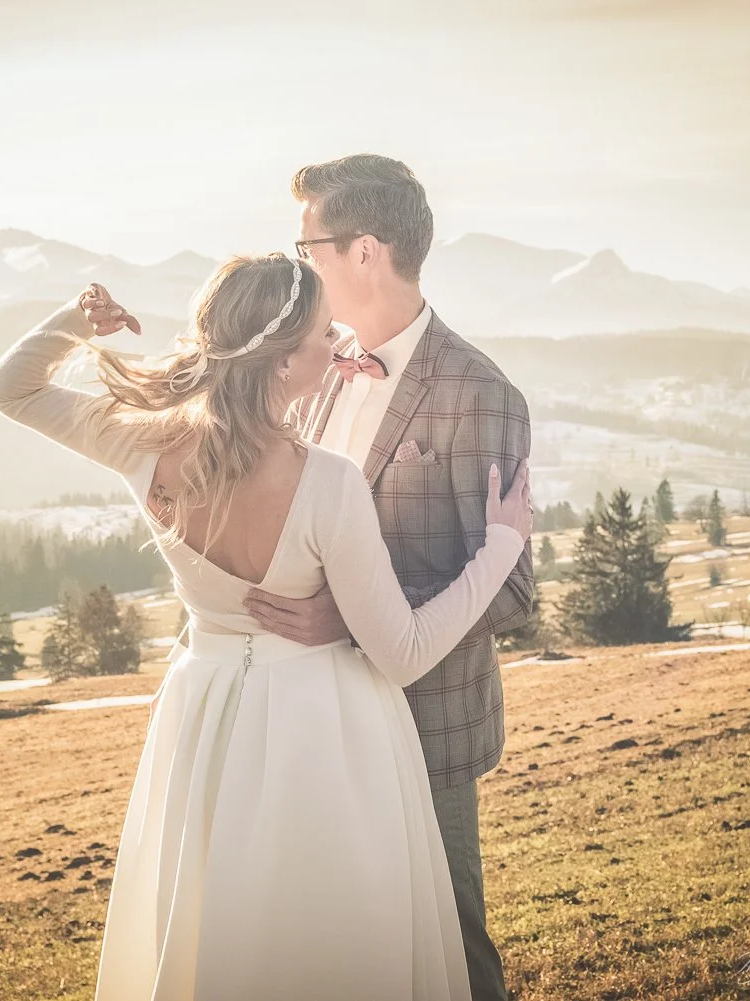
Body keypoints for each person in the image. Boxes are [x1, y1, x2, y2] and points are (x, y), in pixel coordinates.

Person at [0, 257, 531, 1000]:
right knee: (327, 934)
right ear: (279, 364)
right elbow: (400, 653)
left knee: (220, 922)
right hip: (323, 729)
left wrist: (78, 323)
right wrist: (497, 551)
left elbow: (7, 388)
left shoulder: (142, 440)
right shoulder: (325, 483)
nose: (338, 339)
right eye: (320, 333)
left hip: (204, 714)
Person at [244, 154, 534, 1001]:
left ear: (365, 250)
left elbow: (511, 583)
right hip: (315, 709)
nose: (299, 266)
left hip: (426, 719)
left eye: (309, 248)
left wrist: (355, 621)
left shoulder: (481, 394)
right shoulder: (310, 372)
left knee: (451, 940)